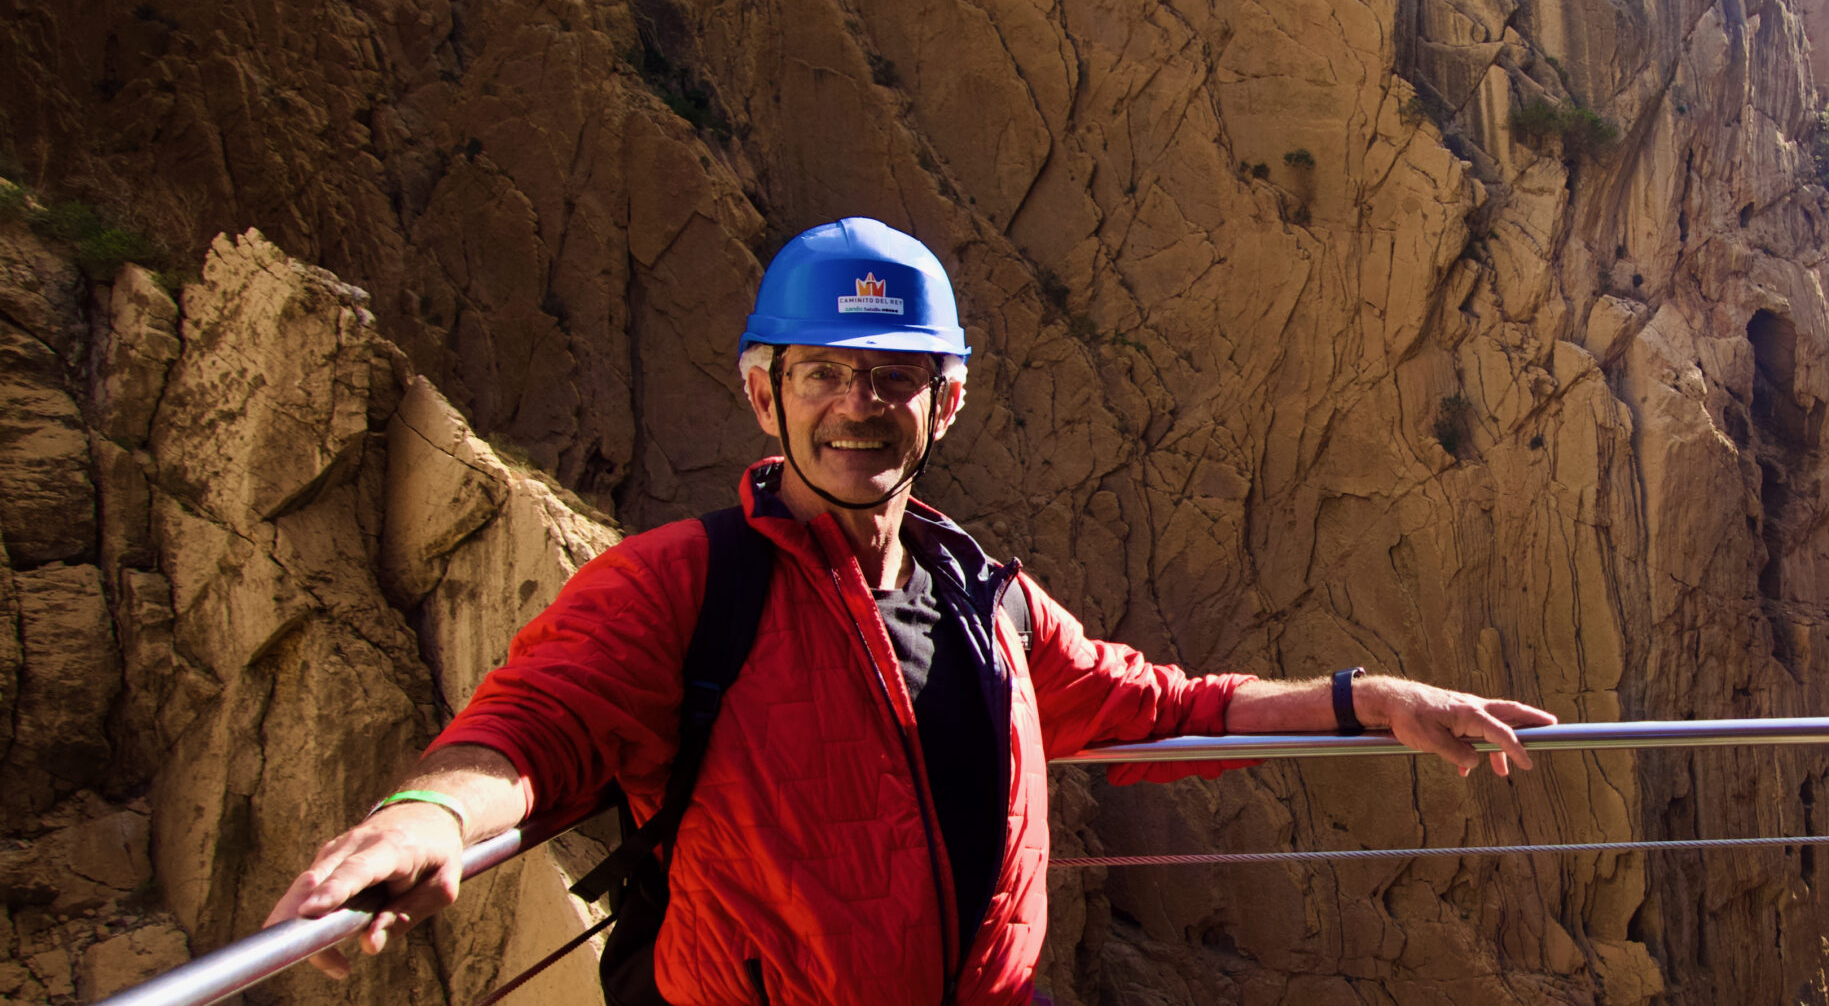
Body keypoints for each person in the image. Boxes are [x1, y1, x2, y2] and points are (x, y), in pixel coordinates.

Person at [262, 219, 1557, 1004]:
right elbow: (529, 733)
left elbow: (1157, 705)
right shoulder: (682, 589)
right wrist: (421, 819)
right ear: (764, 396)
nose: (857, 406)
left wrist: (1371, 699)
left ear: (947, 403)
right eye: (824, 373)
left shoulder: (985, 601)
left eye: (894, 377)